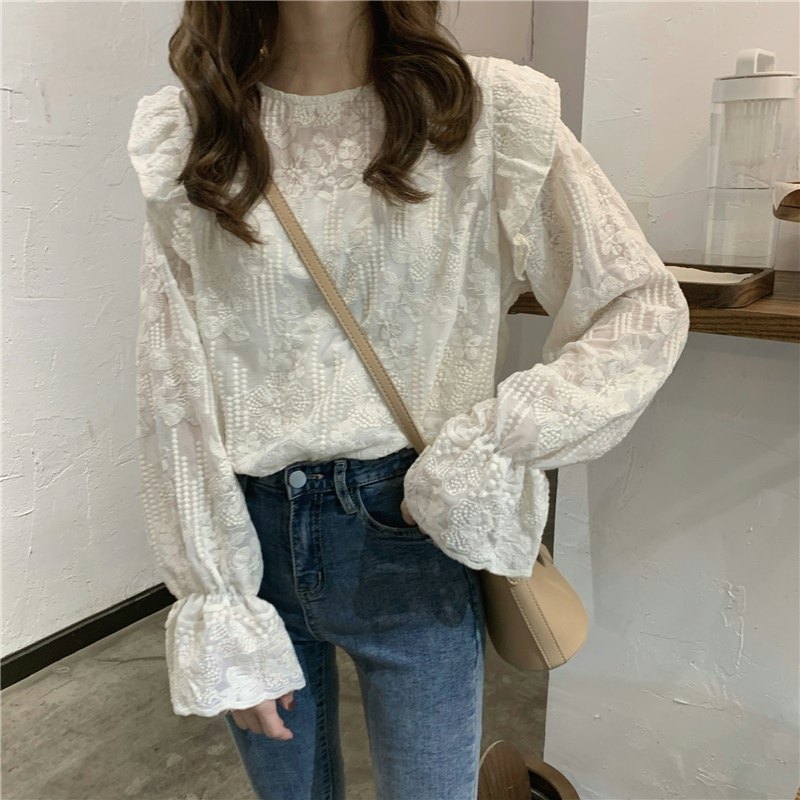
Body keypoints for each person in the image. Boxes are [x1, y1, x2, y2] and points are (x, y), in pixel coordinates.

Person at [126, 2, 691, 798]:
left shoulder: (482, 115)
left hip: (410, 529)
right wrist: (218, 599)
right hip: (249, 544)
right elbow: (172, 383)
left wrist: (495, 439)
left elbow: (640, 307)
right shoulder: (196, 134)